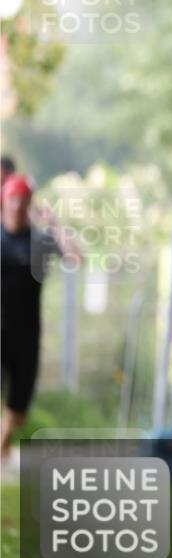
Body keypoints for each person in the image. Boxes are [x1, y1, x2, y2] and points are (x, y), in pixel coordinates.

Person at [1, 173, 81, 464]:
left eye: (24, 200)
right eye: (13, 199)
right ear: (4, 201)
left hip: (26, 335)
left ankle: (3, 443)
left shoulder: (40, 240)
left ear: (30, 203)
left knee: (19, 410)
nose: (18, 205)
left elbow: (77, 258)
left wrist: (55, 225)